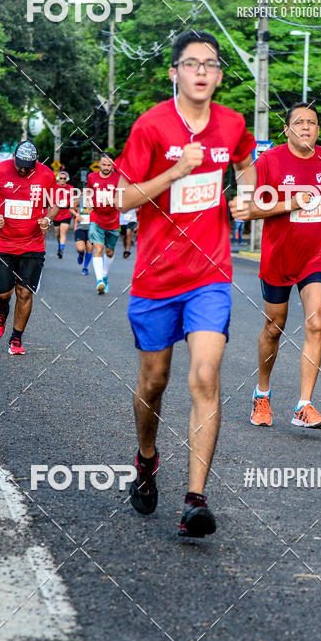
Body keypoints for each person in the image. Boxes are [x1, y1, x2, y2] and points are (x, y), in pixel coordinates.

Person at [115, 29, 255, 538]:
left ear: (218, 75)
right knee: (154, 382)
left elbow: (245, 161)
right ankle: (146, 458)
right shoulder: (151, 126)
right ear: (174, 72)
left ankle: (195, 498)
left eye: (211, 64)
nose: (202, 71)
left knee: (205, 376)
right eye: (191, 63)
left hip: (209, 275)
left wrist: (247, 197)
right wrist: (175, 172)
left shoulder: (232, 123)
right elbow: (123, 199)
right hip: (155, 276)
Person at [229, 102, 321, 431]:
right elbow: (249, 209)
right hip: (278, 257)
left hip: (313, 255)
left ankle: (303, 405)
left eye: (312, 122)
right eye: (299, 122)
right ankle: (261, 394)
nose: (306, 127)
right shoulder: (269, 161)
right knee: (274, 328)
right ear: (287, 130)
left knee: (316, 323)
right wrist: (291, 202)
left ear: (319, 130)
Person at [0, 141, 59, 356]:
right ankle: (2, 310)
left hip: (32, 244)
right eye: (20, 164)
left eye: (28, 165)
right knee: (2, 293)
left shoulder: (46, 175)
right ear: (14, 157)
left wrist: (48, 219)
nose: (23, 169)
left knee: (24, 292)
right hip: (3, 243)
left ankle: (16, 339)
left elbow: (55, 204)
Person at [87, 154, 120, 294]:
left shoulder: (118, 179)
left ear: (113, 165)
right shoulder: (92, 177)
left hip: (113, 219)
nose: (106, 168)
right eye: (104, 164)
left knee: (109, 251)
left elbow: (122, 198)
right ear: (99, 164)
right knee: (98, 248)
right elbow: (88, 192)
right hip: (96, 217)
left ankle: (105, 275)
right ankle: (99, 280)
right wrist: (88, 202)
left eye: (109, 165)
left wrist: (110, 201)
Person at [72, 184, 93, 273]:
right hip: (80, 227)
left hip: (92, 227)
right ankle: (81, 255)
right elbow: (71, 208)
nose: (86, 194)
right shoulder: (79, 200)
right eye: (85, 192)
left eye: (88, 192)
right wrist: (76, 214)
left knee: (89, 248)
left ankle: (85, 267)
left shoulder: (95, 202)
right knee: (80, 248)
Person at [52, 170, 74, 258]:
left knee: (63, 231)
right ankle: (59, 244)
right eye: (61, 178)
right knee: (57, 233)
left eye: (64, 178)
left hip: (66, 212)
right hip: (56, 212)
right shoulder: (54, 187)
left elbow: (73, 200)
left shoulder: (71, 188)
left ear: (67, 179)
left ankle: (61, 250)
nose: (62, 180)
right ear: (58, 179)